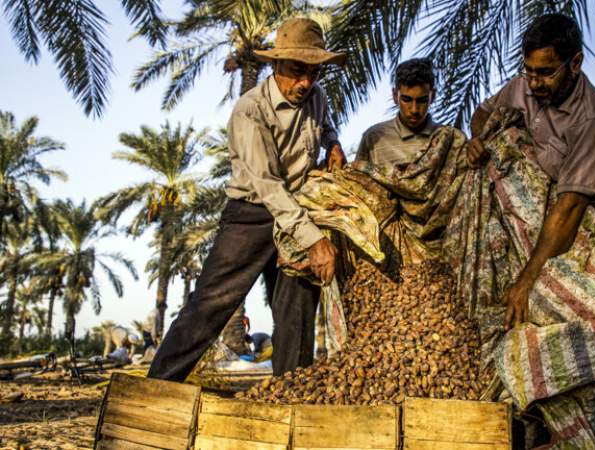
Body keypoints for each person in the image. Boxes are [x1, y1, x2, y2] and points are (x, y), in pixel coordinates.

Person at [147, 17, 347, 381]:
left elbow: (325, 123)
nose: (305, 82)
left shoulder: (316, 97)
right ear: (274, 65)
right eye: (296, 71)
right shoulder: (250, 111)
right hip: (251, 215)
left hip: (297, 211)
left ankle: (290, 395)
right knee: (211, 303)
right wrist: (314, 240)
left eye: (314, 73)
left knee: (297, 311)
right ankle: (157, 386)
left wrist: (333, 143)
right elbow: (269, 186)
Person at [467, 13, 595, 331]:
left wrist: (526, 280)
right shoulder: (521, 87)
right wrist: (478, 139)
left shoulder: (594, 118)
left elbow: (570, 207)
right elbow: (482, 114)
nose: (535, 83)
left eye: (546, 73)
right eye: (530, 72)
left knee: (580, 320)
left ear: (575, 63)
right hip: (518, 215)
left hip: (570, 227)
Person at [356, 58, 439, 165]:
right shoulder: (373, 138)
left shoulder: (451, 140)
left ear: (433, 96)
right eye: (406, 100)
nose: (414, 110)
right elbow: (355, 180)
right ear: (395, 96)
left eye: (422, 100)